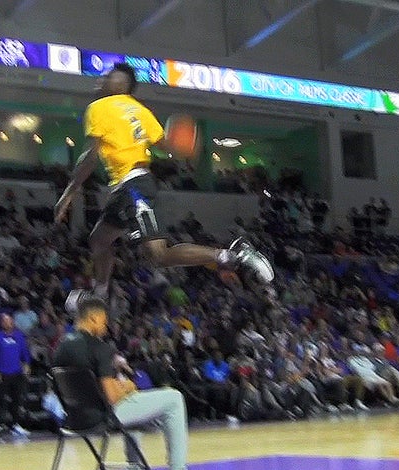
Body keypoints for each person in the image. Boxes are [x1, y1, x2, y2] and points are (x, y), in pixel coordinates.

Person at [53, 63, 273, 310]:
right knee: (99, 240)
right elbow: (165, 146)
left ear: (119, 84)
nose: (100, 79)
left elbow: (90, 157)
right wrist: (184, 143)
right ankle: (100, 295)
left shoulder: (99, 107)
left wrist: (68, 194)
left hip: (133, 185)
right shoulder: (140, 110)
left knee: (158, 255)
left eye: (106, 76)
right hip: (129, 186)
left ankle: (231, 255)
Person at [52, 298, 212, 470]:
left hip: (74, 420)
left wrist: (119, 388)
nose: (106, 326)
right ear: (94, 318)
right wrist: (126, 387)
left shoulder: (61, 347)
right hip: (102, 418)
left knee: (132, 404)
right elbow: (111, 398)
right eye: (104, 321)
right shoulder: (99, 347)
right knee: (174, 397)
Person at [0, 314, 31, 438]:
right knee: (1, 400)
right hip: (2, 373)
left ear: (12, 322)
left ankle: (15, 425)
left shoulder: (19, 336)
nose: (7, 323)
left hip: (16, 373)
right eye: (4, 321)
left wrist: (27, 365)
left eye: (8, 320)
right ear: (1, 323)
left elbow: (25, 354)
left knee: (17, 399)